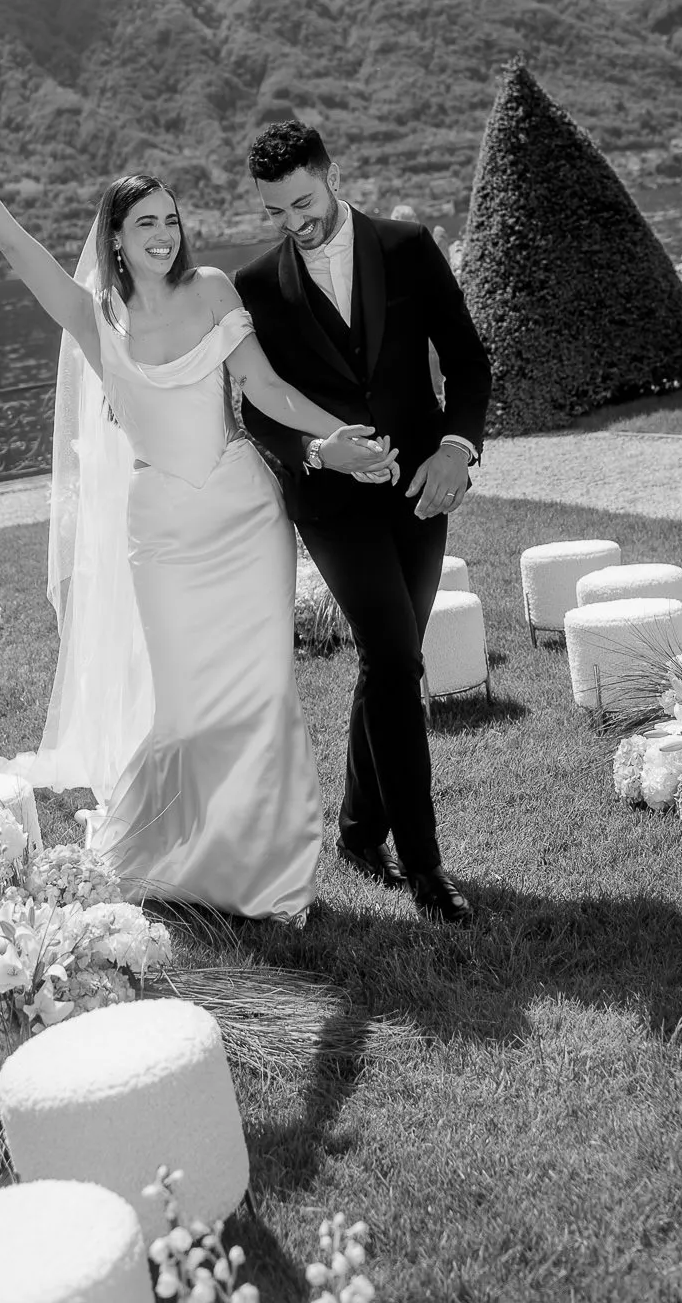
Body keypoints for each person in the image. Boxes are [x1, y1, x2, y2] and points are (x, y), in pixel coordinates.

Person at [0, 111, 397, 921]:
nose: (164, 235)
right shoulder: (97, 320)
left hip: (244, 516)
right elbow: (17, 248)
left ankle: (270, 878)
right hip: (161, 532)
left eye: (171, 220)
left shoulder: (214, 292)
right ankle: (178, 853)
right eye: (144, 224)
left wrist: (329, 439)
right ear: (114, 240)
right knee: (189, 709)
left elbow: (262, 389)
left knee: (264, 695)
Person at [235, 121, 493, 925]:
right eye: (277, 211)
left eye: (303, 202)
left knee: (390, 659)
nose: (294, 223)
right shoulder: (254, 284)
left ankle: (355, 829)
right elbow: (253, 407)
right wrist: (318, 450)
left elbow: (467, 357)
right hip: (332, 504)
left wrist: (457, 447)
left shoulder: (409, 246)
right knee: (392, 656)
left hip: (421, 486)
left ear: (332, 173)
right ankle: (425, 868)